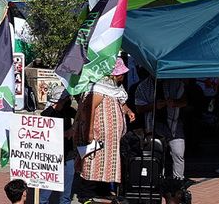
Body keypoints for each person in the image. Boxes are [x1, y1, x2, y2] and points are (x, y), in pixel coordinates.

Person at [74, 57, 135, 199]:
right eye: (122, 73)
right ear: (114, 74)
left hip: (111, 140)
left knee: (107, 164)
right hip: (98, 136)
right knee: (94, 162)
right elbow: (90, 108)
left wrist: (128, 111)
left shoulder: (115, 88)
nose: (124, 75)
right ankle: (86, 194)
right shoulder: (99, 88)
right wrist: (89, 132)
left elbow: (121, 102)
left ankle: (103, 191)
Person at [133, 72, 186, 180]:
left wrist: (174, 102)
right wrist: (154, 105)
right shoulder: (143, 86)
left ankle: (178, 180)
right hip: (153, 124)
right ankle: (156, 179)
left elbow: (185, 101)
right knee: (155, 153)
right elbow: (139, 108)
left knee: (178, 152)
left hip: (174, 122)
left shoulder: (176, 82)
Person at [39, 86, 77, 204]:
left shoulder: (69, 111)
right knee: (46, 191)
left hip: (68, 154)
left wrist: (73, 129)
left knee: (66, 192)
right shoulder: (47, 113)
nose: (68, 101)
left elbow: (80, 119)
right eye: (66, 99)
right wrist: (62, 134)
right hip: (52, 156)